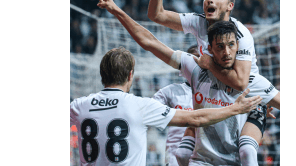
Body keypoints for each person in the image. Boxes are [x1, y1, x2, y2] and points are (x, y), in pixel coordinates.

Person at [96, 0, 279, 165]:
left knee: (247, 151)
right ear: (208, 49)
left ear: (239, 47)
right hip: (203, 160)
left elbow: (266, 95)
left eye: (231, 45)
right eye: (220, 47)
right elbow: (149, 42)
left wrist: (262, 105)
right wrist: (116, 10)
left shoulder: (249, 79)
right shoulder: (195, 66)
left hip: (236, 158)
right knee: (182, 153)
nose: (227, 52)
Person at [148, 0, 280, 165]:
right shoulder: (198, 21)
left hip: (250, 91)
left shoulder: (241, 34)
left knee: (246, 151)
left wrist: (209, 63)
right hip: (219, 93)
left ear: (230, 6)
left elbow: (240, 81)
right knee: (183, 154)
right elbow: (156, 15)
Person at [70, 46, 262, 165]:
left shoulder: (79, 105)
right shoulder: (139, 106)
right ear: (130, 76)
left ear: (102, 74)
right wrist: (235, 109)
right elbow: (196, 118)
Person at [152, 45, 199, 166]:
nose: (197, 63)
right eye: (194, 59)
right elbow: (150, 109)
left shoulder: (214, 93)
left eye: (200, 58)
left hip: (202, 157)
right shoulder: (171, 91)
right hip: (174, 157)